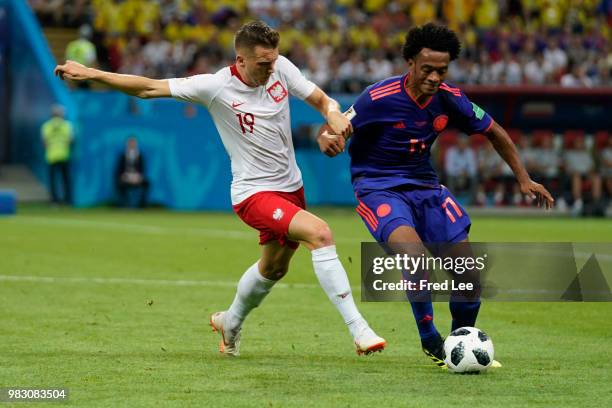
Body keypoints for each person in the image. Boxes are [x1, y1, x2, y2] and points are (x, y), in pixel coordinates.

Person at [54, 20, 385, 357]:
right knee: (321, 233)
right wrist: (93, 74)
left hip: (292, 188)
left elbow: (321, 99)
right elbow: (148, 88)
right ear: (240, 60)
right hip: (253, 193)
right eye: (263, 63)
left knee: (273, 269)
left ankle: (230, 321)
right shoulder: (214, 87)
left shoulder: (281, 67)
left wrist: (333, 116)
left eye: (274, 60)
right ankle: (359, 329)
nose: (271, 69)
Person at [317, 23, 553, 368]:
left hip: (426, 188)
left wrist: (523, 178)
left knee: (468, 277)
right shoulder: (378, 98)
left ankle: (460, 345)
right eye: (426, 69)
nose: (433, 77)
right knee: (414, 257)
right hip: (378, 187)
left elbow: (494, 131)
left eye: (441, 70)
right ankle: (430, 340)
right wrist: (327, 140)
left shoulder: (450, 98)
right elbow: (333, 129)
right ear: (410, 62)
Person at [41, 104, 73, 205]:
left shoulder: (47, 125)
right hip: (64, 155)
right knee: (65, 179)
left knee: (53, 180)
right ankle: (67, 200)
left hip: (51, 156)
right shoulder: (67, 125)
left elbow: (44, 142)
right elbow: (70, 140)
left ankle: (54, 201)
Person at [116, 137, 149, 208]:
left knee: (147, 183)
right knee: (120, 184)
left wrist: (138, 177)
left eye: (133, 143)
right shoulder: (122, 156)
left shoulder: (140, 156)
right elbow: (119, 169)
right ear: (127, 144)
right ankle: (124, 204)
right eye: (130, 143)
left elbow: (142, 169)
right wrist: (124, 176)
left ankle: (142, 204)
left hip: (137, 178)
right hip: (125, 178)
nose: (132, 144)